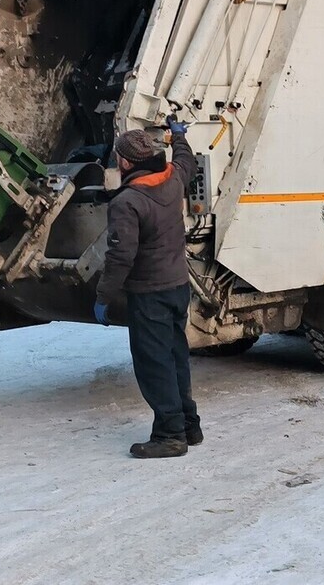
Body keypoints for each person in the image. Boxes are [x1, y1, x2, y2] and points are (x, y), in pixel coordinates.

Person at [94, 118, 201, 459]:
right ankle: (189, 424)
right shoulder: (172, 179)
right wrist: (180, 136)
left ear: (125, 162)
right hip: (178, 287)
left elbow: (120, 257)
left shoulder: (127, 202)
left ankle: (170, 435)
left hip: (150, 294)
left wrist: (103, 297)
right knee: (175, 356)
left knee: (154, 363)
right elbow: (188, 161)